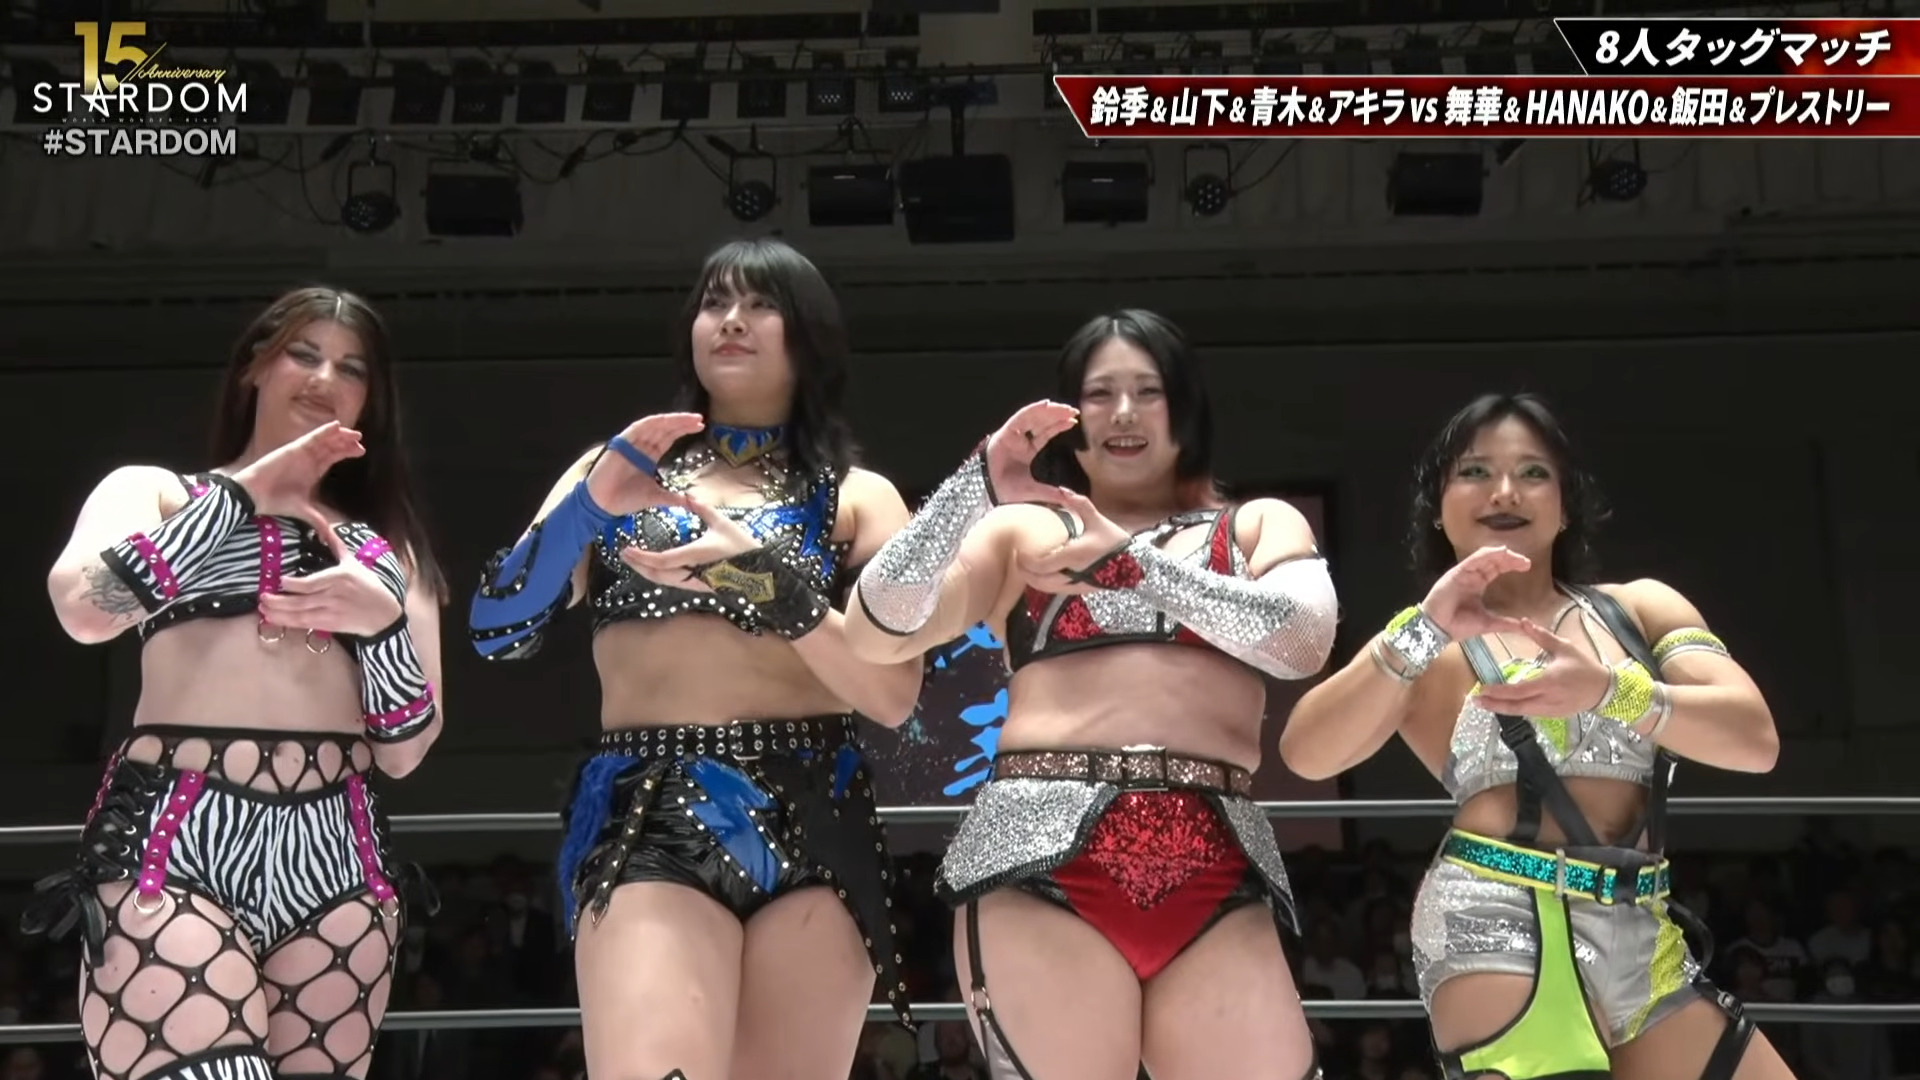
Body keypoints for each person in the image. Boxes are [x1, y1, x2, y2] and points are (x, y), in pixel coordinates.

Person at [466, 237, 922, 1080]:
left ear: (809, 334)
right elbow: (497, 629)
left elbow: (893, 695)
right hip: (650, 808)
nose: (733, 320)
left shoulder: (860, 497)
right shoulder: (613, 475)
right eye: (715, 303)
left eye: (761, 304)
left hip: (815, 812)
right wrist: (588, 508)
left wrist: (758, 579)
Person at [845, 309, 1336, 1080]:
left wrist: (1138, 568)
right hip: (1035, 859)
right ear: (1070, 418)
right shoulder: (1025, 534)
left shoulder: (1253, 526)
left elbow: (1304, 640)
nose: (1124, 413)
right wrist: (973, 488)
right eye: (1100, 394)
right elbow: (877, 627)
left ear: (1186, 406)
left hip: (1217, 859)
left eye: (1148, 390)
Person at [1279, 392, 1798, 1080]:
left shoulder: (1641, 609)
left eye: (1532, 472)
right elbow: (1307, 754)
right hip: (1496, 918)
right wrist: (1423, 627)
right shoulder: (1427, 645)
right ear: (1436, 507)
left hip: (1641, 925)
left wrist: (1612, 690)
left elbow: (1755, 741)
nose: (1504, 491)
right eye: (1474, 472)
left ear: (1565, 503)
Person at [33, 286, 447, 1080]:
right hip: (179, 836)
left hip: (339, 854)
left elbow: (406, 750)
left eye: (351, 368)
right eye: (304, 354)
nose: (324, 377)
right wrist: (242, 495)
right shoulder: (155, 491)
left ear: (372, 399)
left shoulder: (388, 549)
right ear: (255, 366)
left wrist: (380, 626)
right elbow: (84, 607)